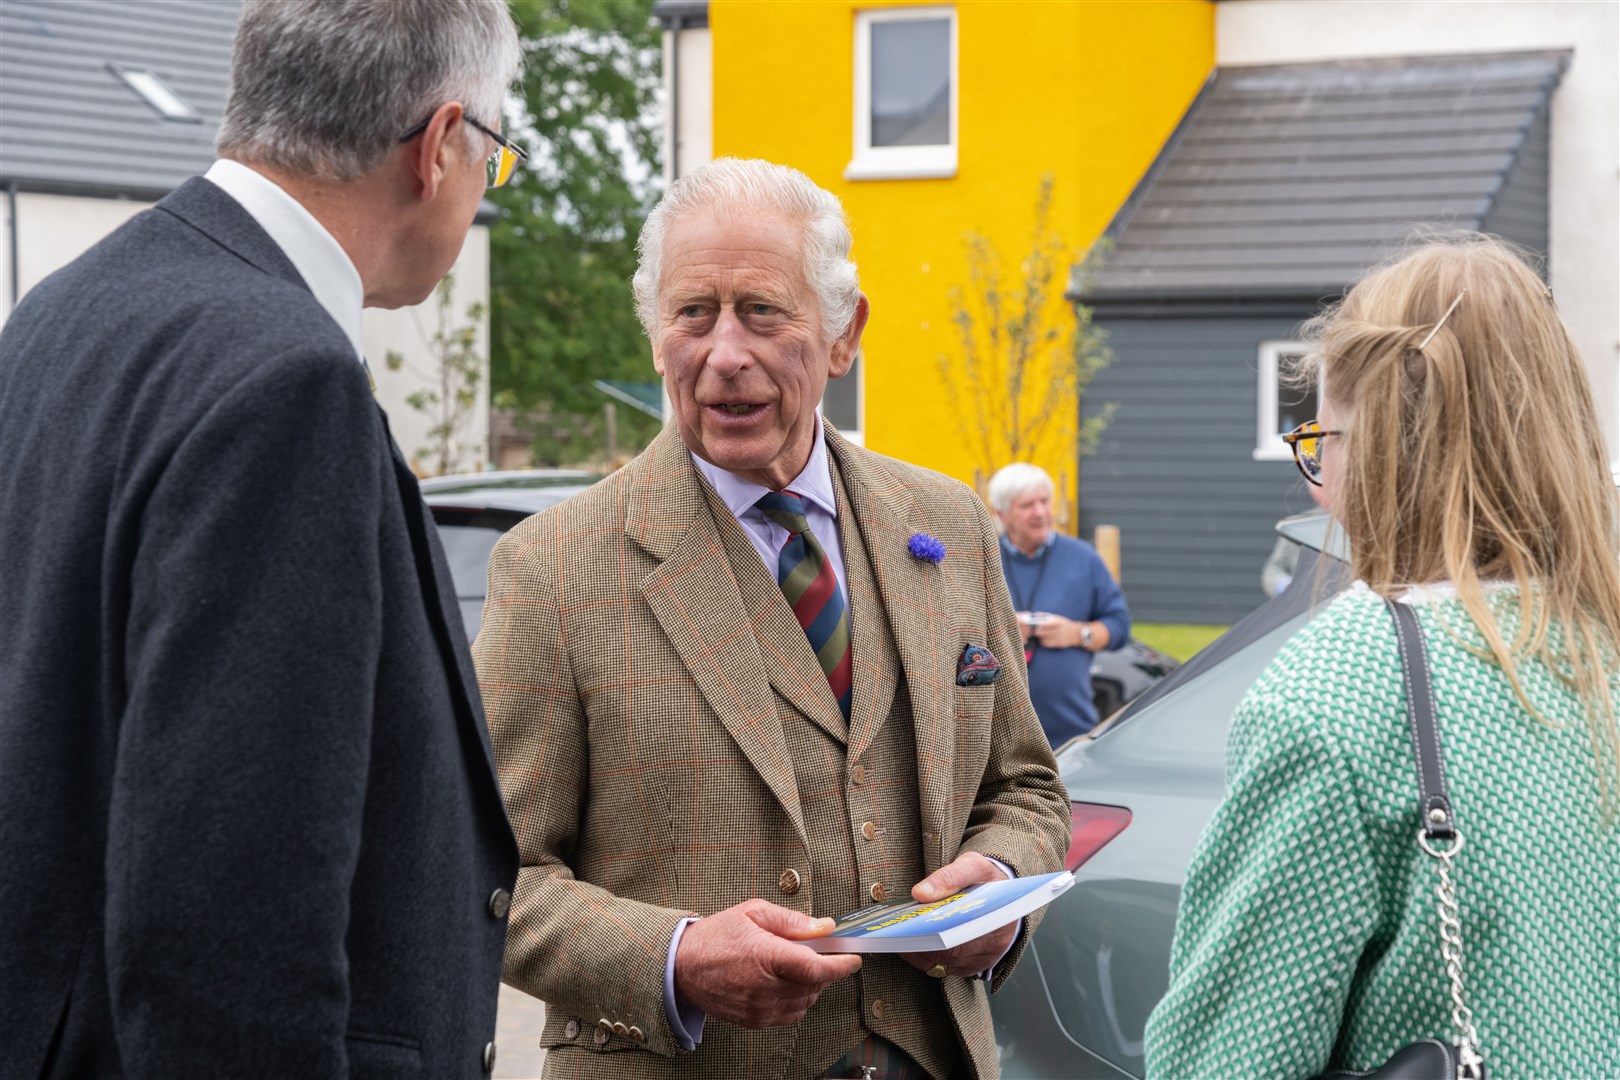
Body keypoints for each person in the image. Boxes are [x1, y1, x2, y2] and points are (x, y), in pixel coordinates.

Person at [0, 3, 524, 1075]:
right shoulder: (289, 381)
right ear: (438, 146)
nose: (481, 192)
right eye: (494, 159)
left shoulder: (59, 313)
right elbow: (228, 918)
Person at [476, 158, 1071, 1080]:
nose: (724, 353)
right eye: (692, 313)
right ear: (655, 336)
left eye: (761, 310)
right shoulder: (553, 568)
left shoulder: (948, 525)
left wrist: (995, 886)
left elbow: (1026, 789)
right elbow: (485, 878)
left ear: (844, 335)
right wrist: (673, 957)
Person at [1144, 234, 1620, 1078]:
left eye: (1327, 438)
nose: (1318, 481)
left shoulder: (1344, 689)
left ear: (1389, 448)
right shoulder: (1599, 639)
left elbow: (1223, 1060)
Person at [988, 463, 1131, 746]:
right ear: (1002, 514)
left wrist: (1078, 633)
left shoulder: (1083, 558)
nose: (1040, 512)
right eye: (1027, 505)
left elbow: (1120, 626)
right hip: (998, 733)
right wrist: (1002, 630)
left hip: (1069, 730)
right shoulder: (984, 560)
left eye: (1044, 501)